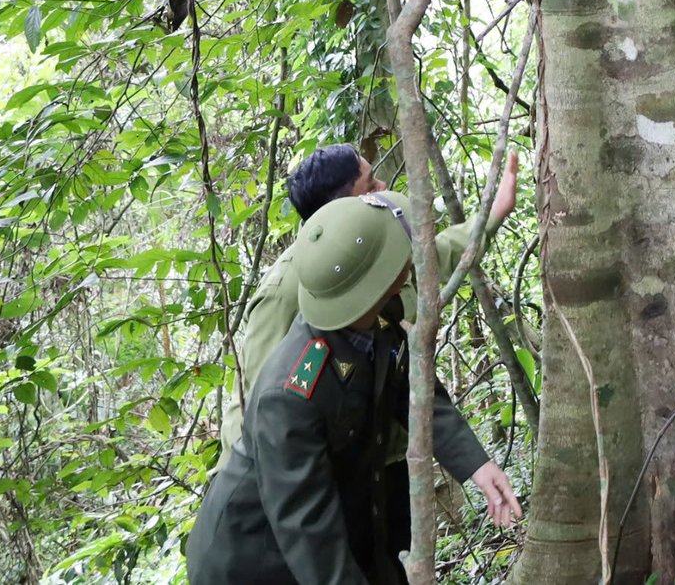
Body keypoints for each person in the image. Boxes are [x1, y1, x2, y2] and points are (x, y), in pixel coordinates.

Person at [186, 197, 520, 583]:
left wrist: (476, 465)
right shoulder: (291, 394)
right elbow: (310, 534)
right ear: (369, 285)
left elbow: (411, 391)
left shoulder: (375, 320)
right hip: (255, 562)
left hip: (346, 523)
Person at [218, 145, 518, 464]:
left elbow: (436, 255)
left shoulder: (375, 249)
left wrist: (495, 211)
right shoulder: (287, 289)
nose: (383, 189)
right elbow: (261, 404)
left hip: (382, 455)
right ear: (340, 209)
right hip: (314, 473)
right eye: (371, 185)